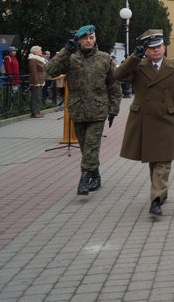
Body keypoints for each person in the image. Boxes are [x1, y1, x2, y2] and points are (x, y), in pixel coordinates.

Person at [115, 29, 174, 216]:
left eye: (159, 47)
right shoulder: (138, 66)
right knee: (153, 160)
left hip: (166, 119)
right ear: (146, 51)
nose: (156, 51)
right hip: (144, 120)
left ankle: (155, 198)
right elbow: (118, 76)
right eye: (152, 48)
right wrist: (133, 57)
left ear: (164, 47)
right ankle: (160, 192)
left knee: (163, 160)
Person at [45, 25, 122, 196]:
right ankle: (96, 176)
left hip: (98, 109)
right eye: (85, 38)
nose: (88, 41)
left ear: (95, 39)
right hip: (77, 109)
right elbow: (49, 71)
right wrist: (65, 51)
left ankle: (84, 179)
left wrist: (114, 109)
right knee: (85, 147)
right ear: (79, 39)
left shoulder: (104, 58)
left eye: (92, 37)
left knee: (91, 145)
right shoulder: (70, 57)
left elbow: (114, 85)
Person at [28, 45, 47, 118]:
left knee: (38, 97)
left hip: (40, 80)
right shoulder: (33, 60)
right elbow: (33, 72)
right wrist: (36, 83)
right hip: (36, 81)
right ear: (35, 52)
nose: (41, 52)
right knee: (35, 97)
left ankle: (38, 111)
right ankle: (35, 113)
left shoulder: (39, 59)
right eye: (39, 50)